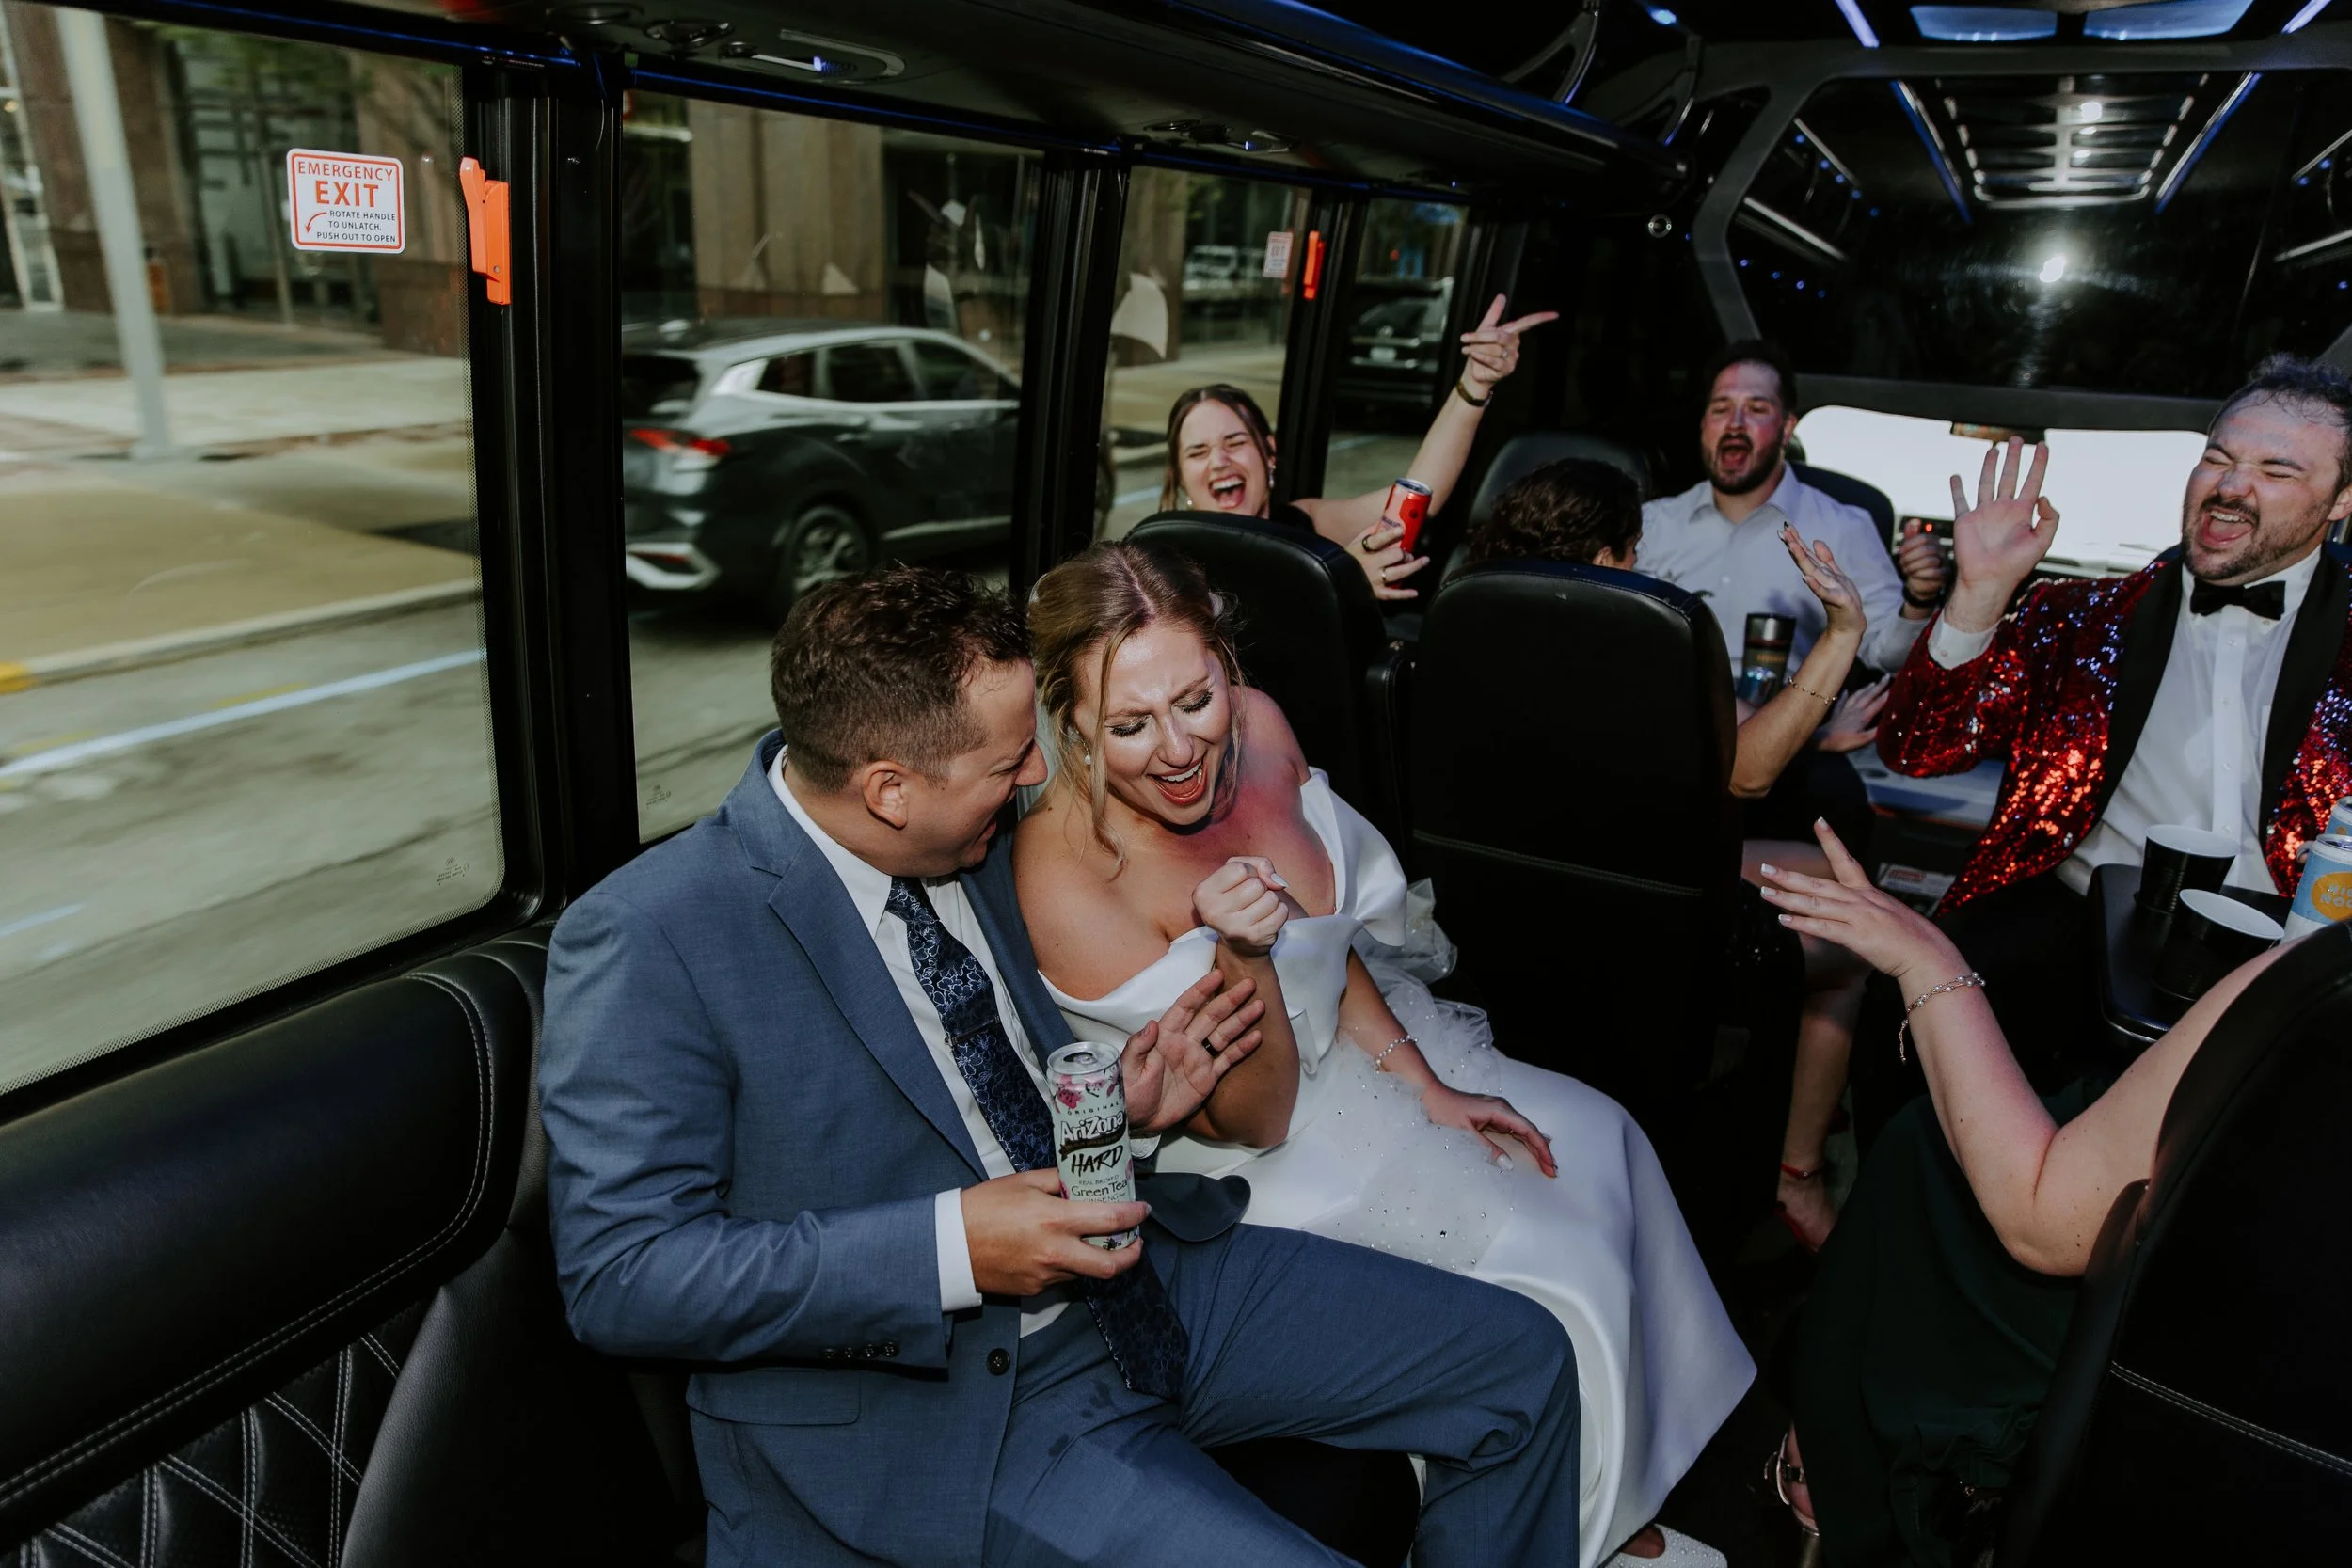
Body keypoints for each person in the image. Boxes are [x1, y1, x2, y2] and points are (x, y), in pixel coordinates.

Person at [537, 567, 1589, 1568]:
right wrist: (956, 1242)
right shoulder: (651, 937)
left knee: (1524, 1363)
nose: (1036, 777)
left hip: (1141, 1270)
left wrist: (1122, 1115)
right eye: (1007, 765)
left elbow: (981, 1086)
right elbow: (625, 1276)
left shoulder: (972, 845)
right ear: (890, 788)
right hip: (951, 1405)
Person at [1013, 542, 1754, 1568]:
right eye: (1131, 726)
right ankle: (1576, 1532)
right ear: (1074, 723)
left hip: (1350, 1054)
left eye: (1197, 698)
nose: (1180, 747)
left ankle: (1601, 1496)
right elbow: (1253, 1117)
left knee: (1600, 1136)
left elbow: (1331, 937)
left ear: (1228, 665)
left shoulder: (1263, 726)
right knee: (1549, 1262)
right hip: (1238, 1153)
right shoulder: (1066, 869)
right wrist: (1240, 949)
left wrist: (1425, 1081)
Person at [1752, 821, 2306, 1567]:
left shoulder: (2304, 982)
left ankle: (1838, 1476)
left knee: (1926, 1148)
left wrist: (1928, 959)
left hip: (2207, 1347)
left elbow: (2041, 1223)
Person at [1867, 356, 2352, 1132]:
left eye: (2276, 469)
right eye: (2218, 458)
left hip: (2293, 948)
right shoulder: (2080, 616)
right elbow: (1920, 748)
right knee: (1908, 1043)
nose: (2230, 486)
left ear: (2341, 500)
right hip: (2081, 918)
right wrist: (1979, 594)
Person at [1465, 458, 1882, 1250]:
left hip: (1521, 894)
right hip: (1644, 912)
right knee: (1858, 936)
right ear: (1601, 560)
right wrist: (1844, 632)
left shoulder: (1469, 625)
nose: (1641, 568)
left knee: (1836, 876)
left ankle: (1801, 1126)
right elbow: (1749, 772)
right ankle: (1798, 1175)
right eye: (1631, 552)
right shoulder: (1638, 644)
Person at [1637, 341, 1948, 855]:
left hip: (1788, 736)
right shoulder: (1653, 524)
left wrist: (1919, 597)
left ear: (1787, 428)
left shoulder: (1843, 526)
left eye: (1756, 409)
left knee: (1835, 804)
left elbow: (1889, 653)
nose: (1734, 422)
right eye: (1721, 409)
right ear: (1703, 426)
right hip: (1669, 739)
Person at [1159, 293, 1557, 602]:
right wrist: (1341, 580)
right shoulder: (1162, 561)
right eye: (1198, 452)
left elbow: (1419, 496)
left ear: (1270, 453)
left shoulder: (1305, 522)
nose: (1219, 461)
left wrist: (1475, 384)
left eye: (1236, 442)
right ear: (1179, 477)